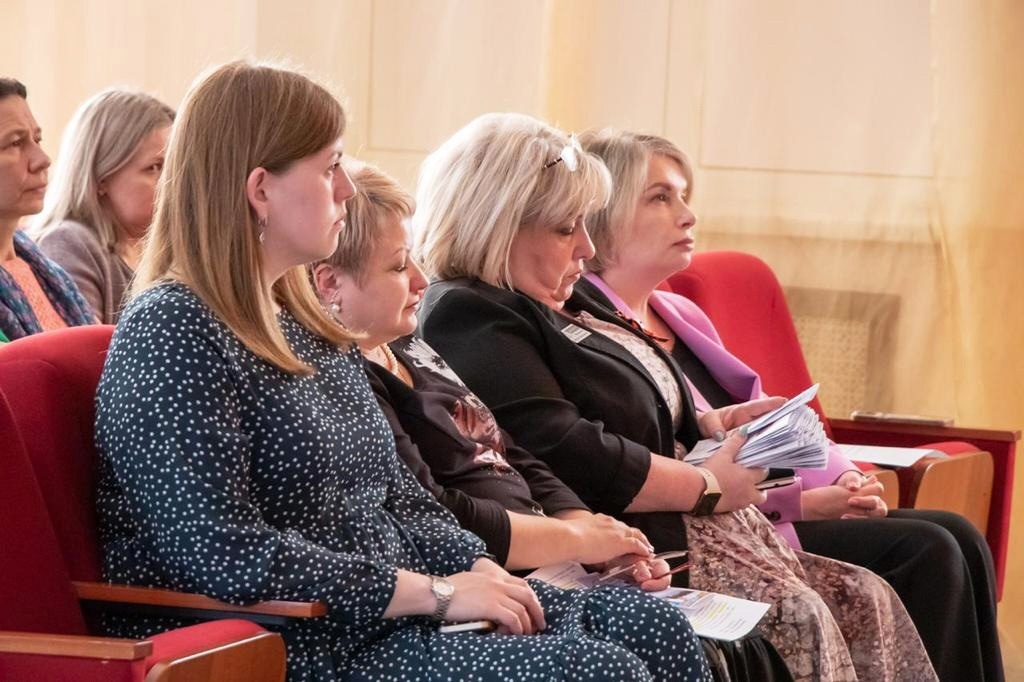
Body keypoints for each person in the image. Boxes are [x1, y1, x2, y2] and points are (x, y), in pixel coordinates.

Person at [95, 61, 712, 682]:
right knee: (597, 670)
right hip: (293, 638)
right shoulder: (174, 327)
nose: (345, 189)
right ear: (261, 190)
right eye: (330, 167)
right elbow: (219, 550)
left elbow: (400, 496)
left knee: (656, 627)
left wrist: (477, 570)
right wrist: (434, 593)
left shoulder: (301, 320)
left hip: (393, 612)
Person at [414, 112, 937, 682]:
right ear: (498, 226)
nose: (587, 248)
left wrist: (708, 424)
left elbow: (625, 404)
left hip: (682, 524)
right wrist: (704, 486)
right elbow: (557, 444)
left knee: (867, 593)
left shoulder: (555, 298)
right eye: (567, 229)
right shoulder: (469, 309)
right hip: (645, 535)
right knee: (813, 610)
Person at [313, 160, 793, 681]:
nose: (420, 280)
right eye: (397, 267)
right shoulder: (375, 357)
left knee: (663, 626)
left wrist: (591, 531)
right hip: (479, 573)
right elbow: (440, 506)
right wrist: (576, 542)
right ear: (330, 284)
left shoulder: (406, 345)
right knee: (624, 663)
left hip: (537, 557)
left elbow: (509, 449)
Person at [575, 127, 1002, 682]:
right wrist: (804, 503)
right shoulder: (588, 328)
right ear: (603, 217)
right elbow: (676, 466)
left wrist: (847, 479)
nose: (687, 215)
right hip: (736, 527)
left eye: (684, 196)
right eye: (661, 198)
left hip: (773, 506)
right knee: (930, 549)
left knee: (961, 536)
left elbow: (774, 418)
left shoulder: (681, 313)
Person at [34, 88, 174, 324]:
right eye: (154, 168)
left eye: (173, 166)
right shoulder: (69, 242)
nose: (172, 181)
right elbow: (82, 344)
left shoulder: (167, 249)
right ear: (101, 178)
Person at [0, 78, 94, 340]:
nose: (42, 160)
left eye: (37, 140)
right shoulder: (66, 244)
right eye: (15, 143)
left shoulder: (44, 268)